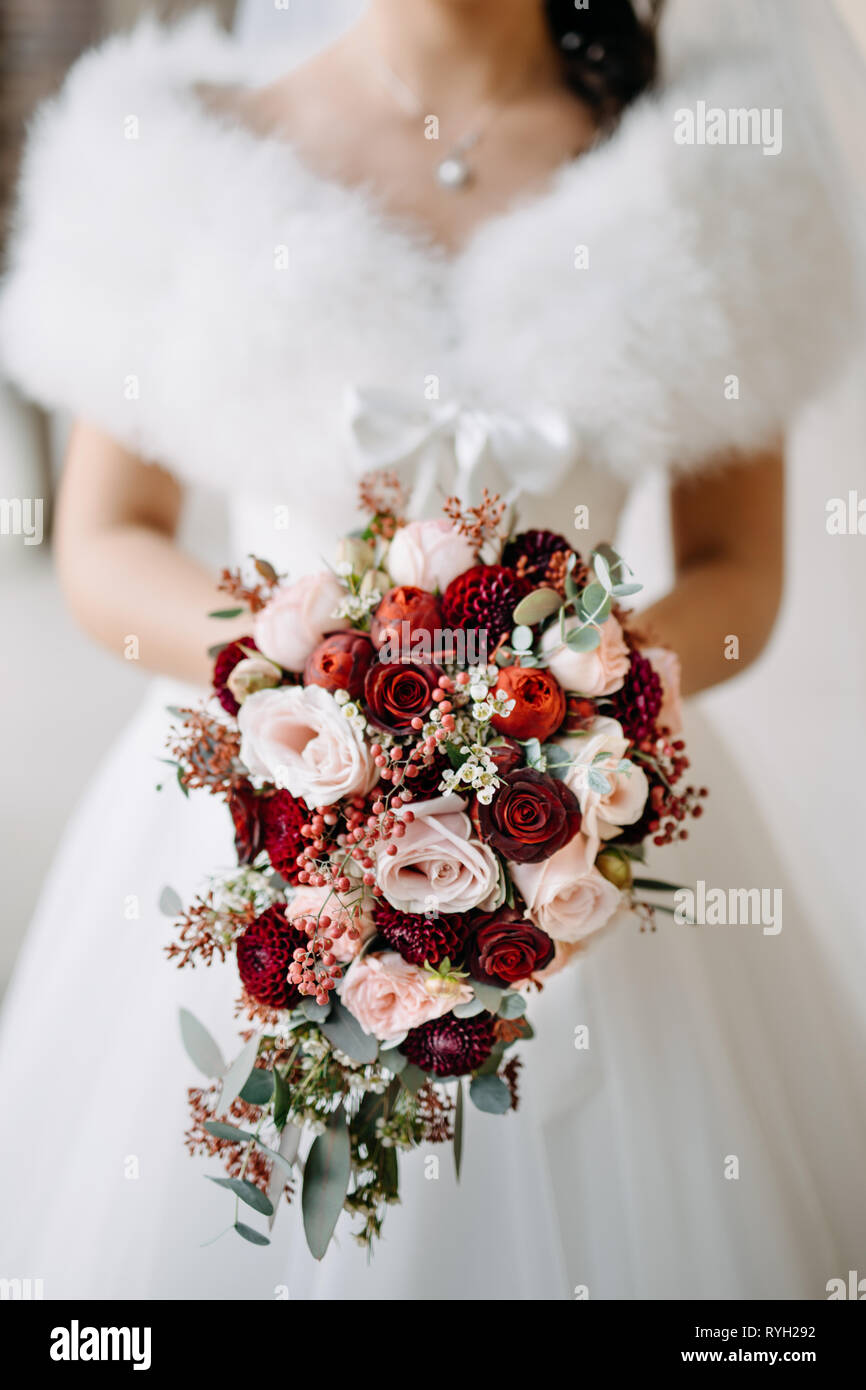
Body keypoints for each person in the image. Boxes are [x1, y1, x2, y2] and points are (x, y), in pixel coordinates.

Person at [0, 0, 863, 1299]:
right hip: (260, 800)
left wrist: (580, 716)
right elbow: (107, 541)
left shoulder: (702, 168)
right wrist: (313, 677)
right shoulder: (178, 153)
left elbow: (739, 577)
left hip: (594, 828)